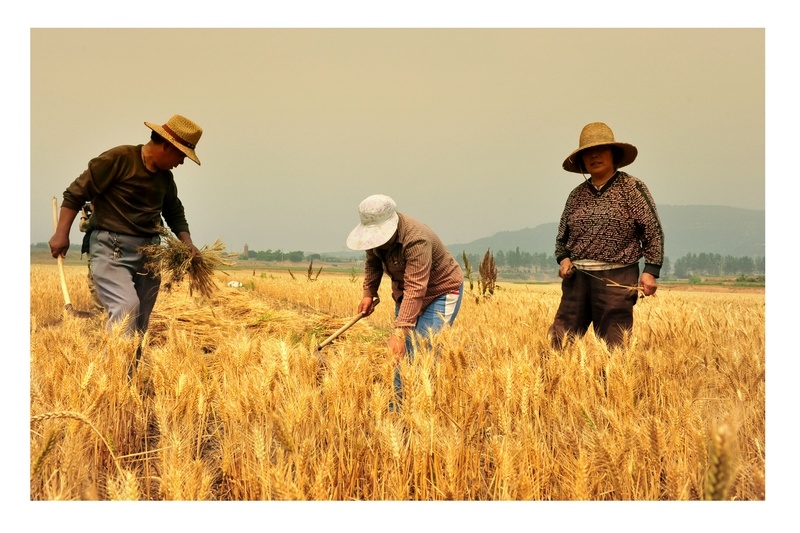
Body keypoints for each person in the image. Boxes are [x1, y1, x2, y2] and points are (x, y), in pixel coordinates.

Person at [49, 114, 204, 370]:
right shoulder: (119, 159)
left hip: (150, 252)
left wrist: (187, 242)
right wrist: (61, 233)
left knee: (141, 321)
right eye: (181, 155)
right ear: (167, 146)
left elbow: (173, 211)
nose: (181, 163)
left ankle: (127, 381)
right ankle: (113, 379)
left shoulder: (165, 178)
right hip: (112, 248)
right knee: (125, 308)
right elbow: (76, 193)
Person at [548, 122, 664, 349]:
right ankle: (554, 384)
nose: (594, 156)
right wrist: (564, 260)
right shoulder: (576, 196)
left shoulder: (632, 188)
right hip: (577, 279)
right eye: (588, 153)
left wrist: (651, 271)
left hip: (617, 279)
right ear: (581, 161)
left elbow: (652, 230)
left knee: (615, 347)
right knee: (559, 344)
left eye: (600, 150)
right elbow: (562, 238)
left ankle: (614, 386)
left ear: (614, 154)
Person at [347, 194, 465, 407]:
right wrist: (368, 293)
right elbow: (373, 263)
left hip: (440, 292)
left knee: (422, 351)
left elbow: (417, 288)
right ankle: (397, 407)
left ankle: (423, 407)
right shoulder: (375, 241)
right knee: (400, 354)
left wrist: (399, 333)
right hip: (406, 292)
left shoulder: (416, 238)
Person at [78, 201, 105, 314]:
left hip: (96, 250)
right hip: (100, 249)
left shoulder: (98, 215)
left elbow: (82, 227)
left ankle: (99, 310)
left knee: (94, 279)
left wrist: (83, 215)